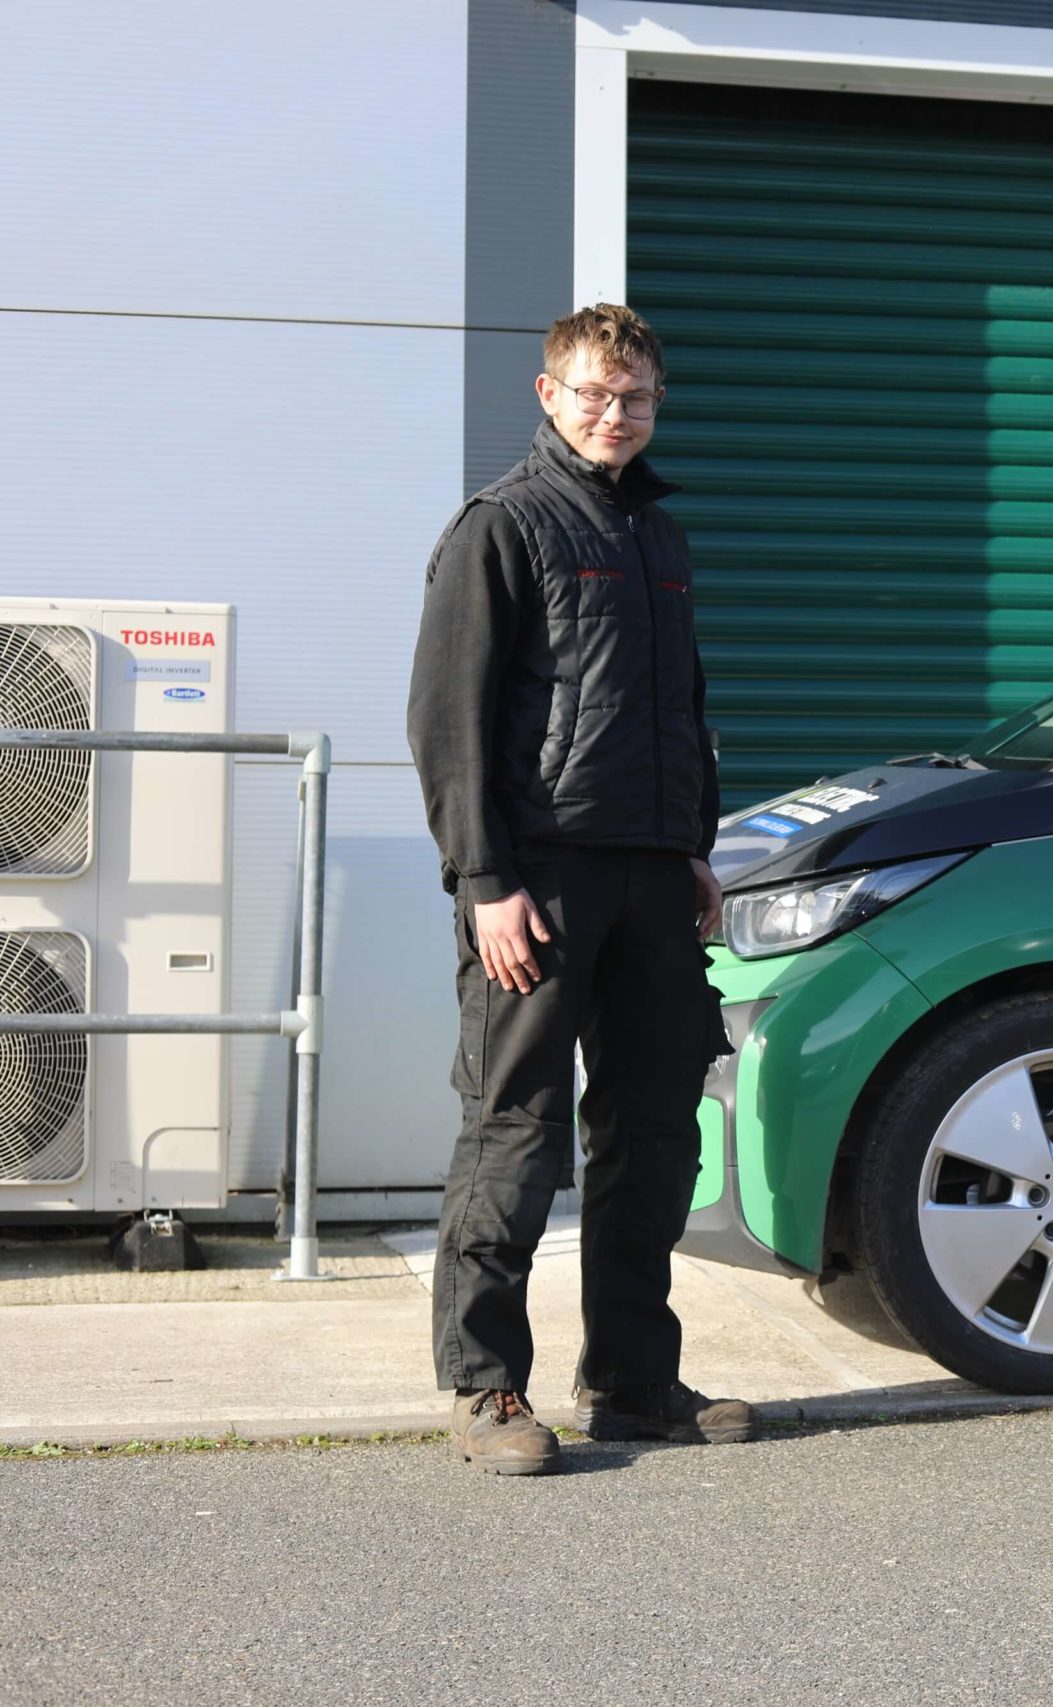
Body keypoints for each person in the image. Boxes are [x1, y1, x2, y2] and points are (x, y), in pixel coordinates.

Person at [407, 303, 750, 1474]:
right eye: (597, 393)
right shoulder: (504, 526)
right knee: (518, 1130)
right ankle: (487, 1388)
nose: (618, 414)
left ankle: (634, 1379)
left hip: (653, 877)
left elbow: (679, 708)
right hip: (540, 879)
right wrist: (485, 879)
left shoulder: (660, 536)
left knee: (653, 1131)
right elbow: (446, 722)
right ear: (549, 395)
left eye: (637, 397)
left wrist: (691, 844)